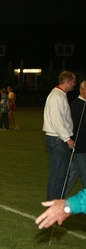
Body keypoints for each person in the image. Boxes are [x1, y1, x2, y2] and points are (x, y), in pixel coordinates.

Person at [43, 70, 76, 201]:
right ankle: (52, 204)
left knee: (61, 175)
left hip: (58, 139)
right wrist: (67, 139)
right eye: (73, 81)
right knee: (58, 175)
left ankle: (56, 202)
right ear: (68, 81)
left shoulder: (60, 95)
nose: (75, 84)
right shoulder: (56, 96)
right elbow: (57, 120)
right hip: (57, 140)